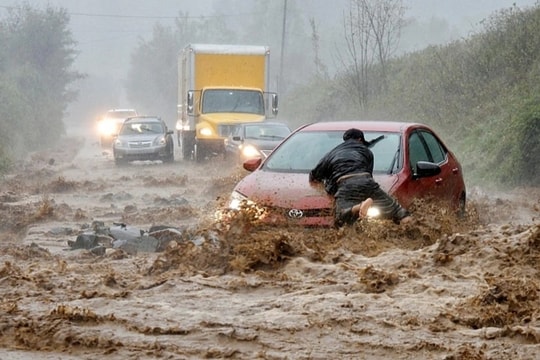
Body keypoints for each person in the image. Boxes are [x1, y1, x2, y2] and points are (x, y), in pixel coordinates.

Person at [309, 128, 412, 227]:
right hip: (366, 181)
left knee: (340, 218)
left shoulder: (332, 154)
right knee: (398, 211)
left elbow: (314, 176)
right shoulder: (367, 151)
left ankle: (358, 207)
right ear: (359, 139)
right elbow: (369, 175)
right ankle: (412, 232)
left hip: (345, 184)